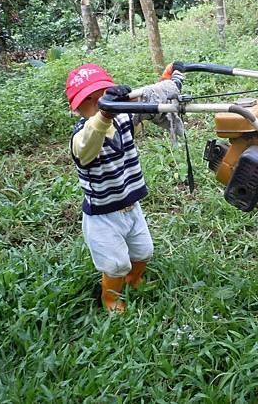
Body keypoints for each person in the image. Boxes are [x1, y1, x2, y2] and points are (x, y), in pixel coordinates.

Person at [65, 63, 182, 313]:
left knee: (144, 252)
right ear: (76, 109)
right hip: (103, 216)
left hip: (131, 207)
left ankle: (134, 279)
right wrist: (104, 114)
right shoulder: (82, 138)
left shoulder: (124, 117)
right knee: (115, 264)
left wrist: (166, 79)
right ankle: (110, 297)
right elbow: (89, 141)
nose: (99, 103)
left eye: (104, 96)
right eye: (91, 101)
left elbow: (148, 99)